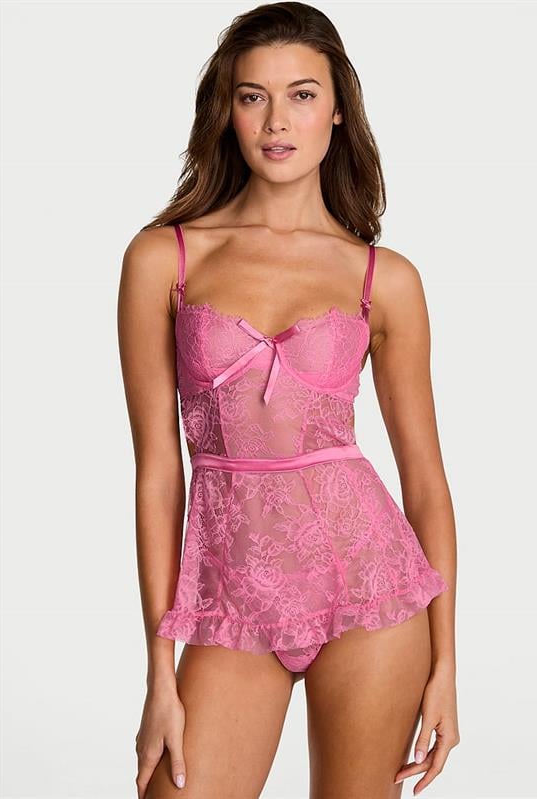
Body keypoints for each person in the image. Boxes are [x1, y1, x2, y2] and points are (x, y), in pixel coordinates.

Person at [117, 3, 459, 797]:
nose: (277, 121)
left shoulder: (382, 278)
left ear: (337, 110)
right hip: (232, 603)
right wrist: (160, 672)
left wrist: (446, 662)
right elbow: (158, 473)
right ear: (227, 110)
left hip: (371, 592)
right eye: (253, 96)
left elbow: (426, 482)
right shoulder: (164, 260)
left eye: (302, 95)